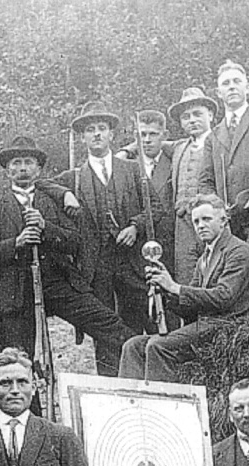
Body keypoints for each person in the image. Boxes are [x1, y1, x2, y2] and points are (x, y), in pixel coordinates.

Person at [0, 136, 135, 377]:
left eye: (28, 162)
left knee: (109, 325)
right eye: (16, 163)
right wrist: (16, 243)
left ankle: (145, 361)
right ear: (7, 171)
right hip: (17, 292)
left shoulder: (54, 201)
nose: (22, 168)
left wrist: (45, 228)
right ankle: (30, 411)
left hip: (58, 282)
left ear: (39, 169)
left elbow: (75, 242)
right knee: (21, 359)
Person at [119, 194, 249, 382]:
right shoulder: (204, 258)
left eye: (206, 219)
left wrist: (174, 287)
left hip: (230, 326)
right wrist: (164, 291)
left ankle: (164, 406)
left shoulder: (239, 251)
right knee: (133, 345)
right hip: (206, 325)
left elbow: (224, 297)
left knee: (158, 346)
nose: (200, 225)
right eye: (196, 221)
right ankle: (131, 405)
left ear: (224, 220)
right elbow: (190, 308)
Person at [58, 101, 155, 358]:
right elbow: (42, 184)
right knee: (104, 331)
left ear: (112, 134)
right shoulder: (75, 177)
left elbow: (156, 208)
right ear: (83, 137)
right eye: (90, 129)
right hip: (96, 266)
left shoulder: (133, 170)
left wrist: (135, 225)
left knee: (140, 323)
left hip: (132, 262)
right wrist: (65, 193)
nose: (97, 133)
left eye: (102, 128)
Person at [200, 60, 249, 297]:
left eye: (237, 81)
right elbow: (205, 180)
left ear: (247, 87)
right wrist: (216, 206)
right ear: (219, 92)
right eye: (226, 83)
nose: (232, 87)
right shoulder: (213, 136)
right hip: (229, 220)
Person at [168, 87, 218, 291]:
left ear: (211, 115)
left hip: (211, 220)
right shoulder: (179, 147)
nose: (192, 120)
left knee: (213, 271)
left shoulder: (220, 141)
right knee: (186, 275)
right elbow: (150, 145)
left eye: (198, 114)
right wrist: (127, 150)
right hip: (183, 224)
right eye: (186, 117)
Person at [135, 110, 177, 279]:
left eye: (153, 134)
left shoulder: (175, 160)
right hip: (139, 246)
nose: (146, 140)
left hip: (170, 243)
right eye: (142, 134)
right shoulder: (128, 166)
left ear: (164, 135)